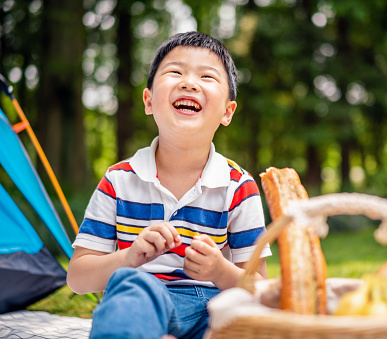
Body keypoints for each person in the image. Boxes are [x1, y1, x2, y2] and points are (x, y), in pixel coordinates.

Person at [67, 31, 271, 339]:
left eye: (207, 76)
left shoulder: (238, 186)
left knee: (247, 318)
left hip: (213, 309)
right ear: (149, 101)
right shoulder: (118, 180)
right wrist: (128, 258)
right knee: (131, 288)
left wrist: (220, 271)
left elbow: (259, 286)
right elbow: (77, 279)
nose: (189, 82)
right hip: (141, 300)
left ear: (227, 112)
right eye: (175, 71)